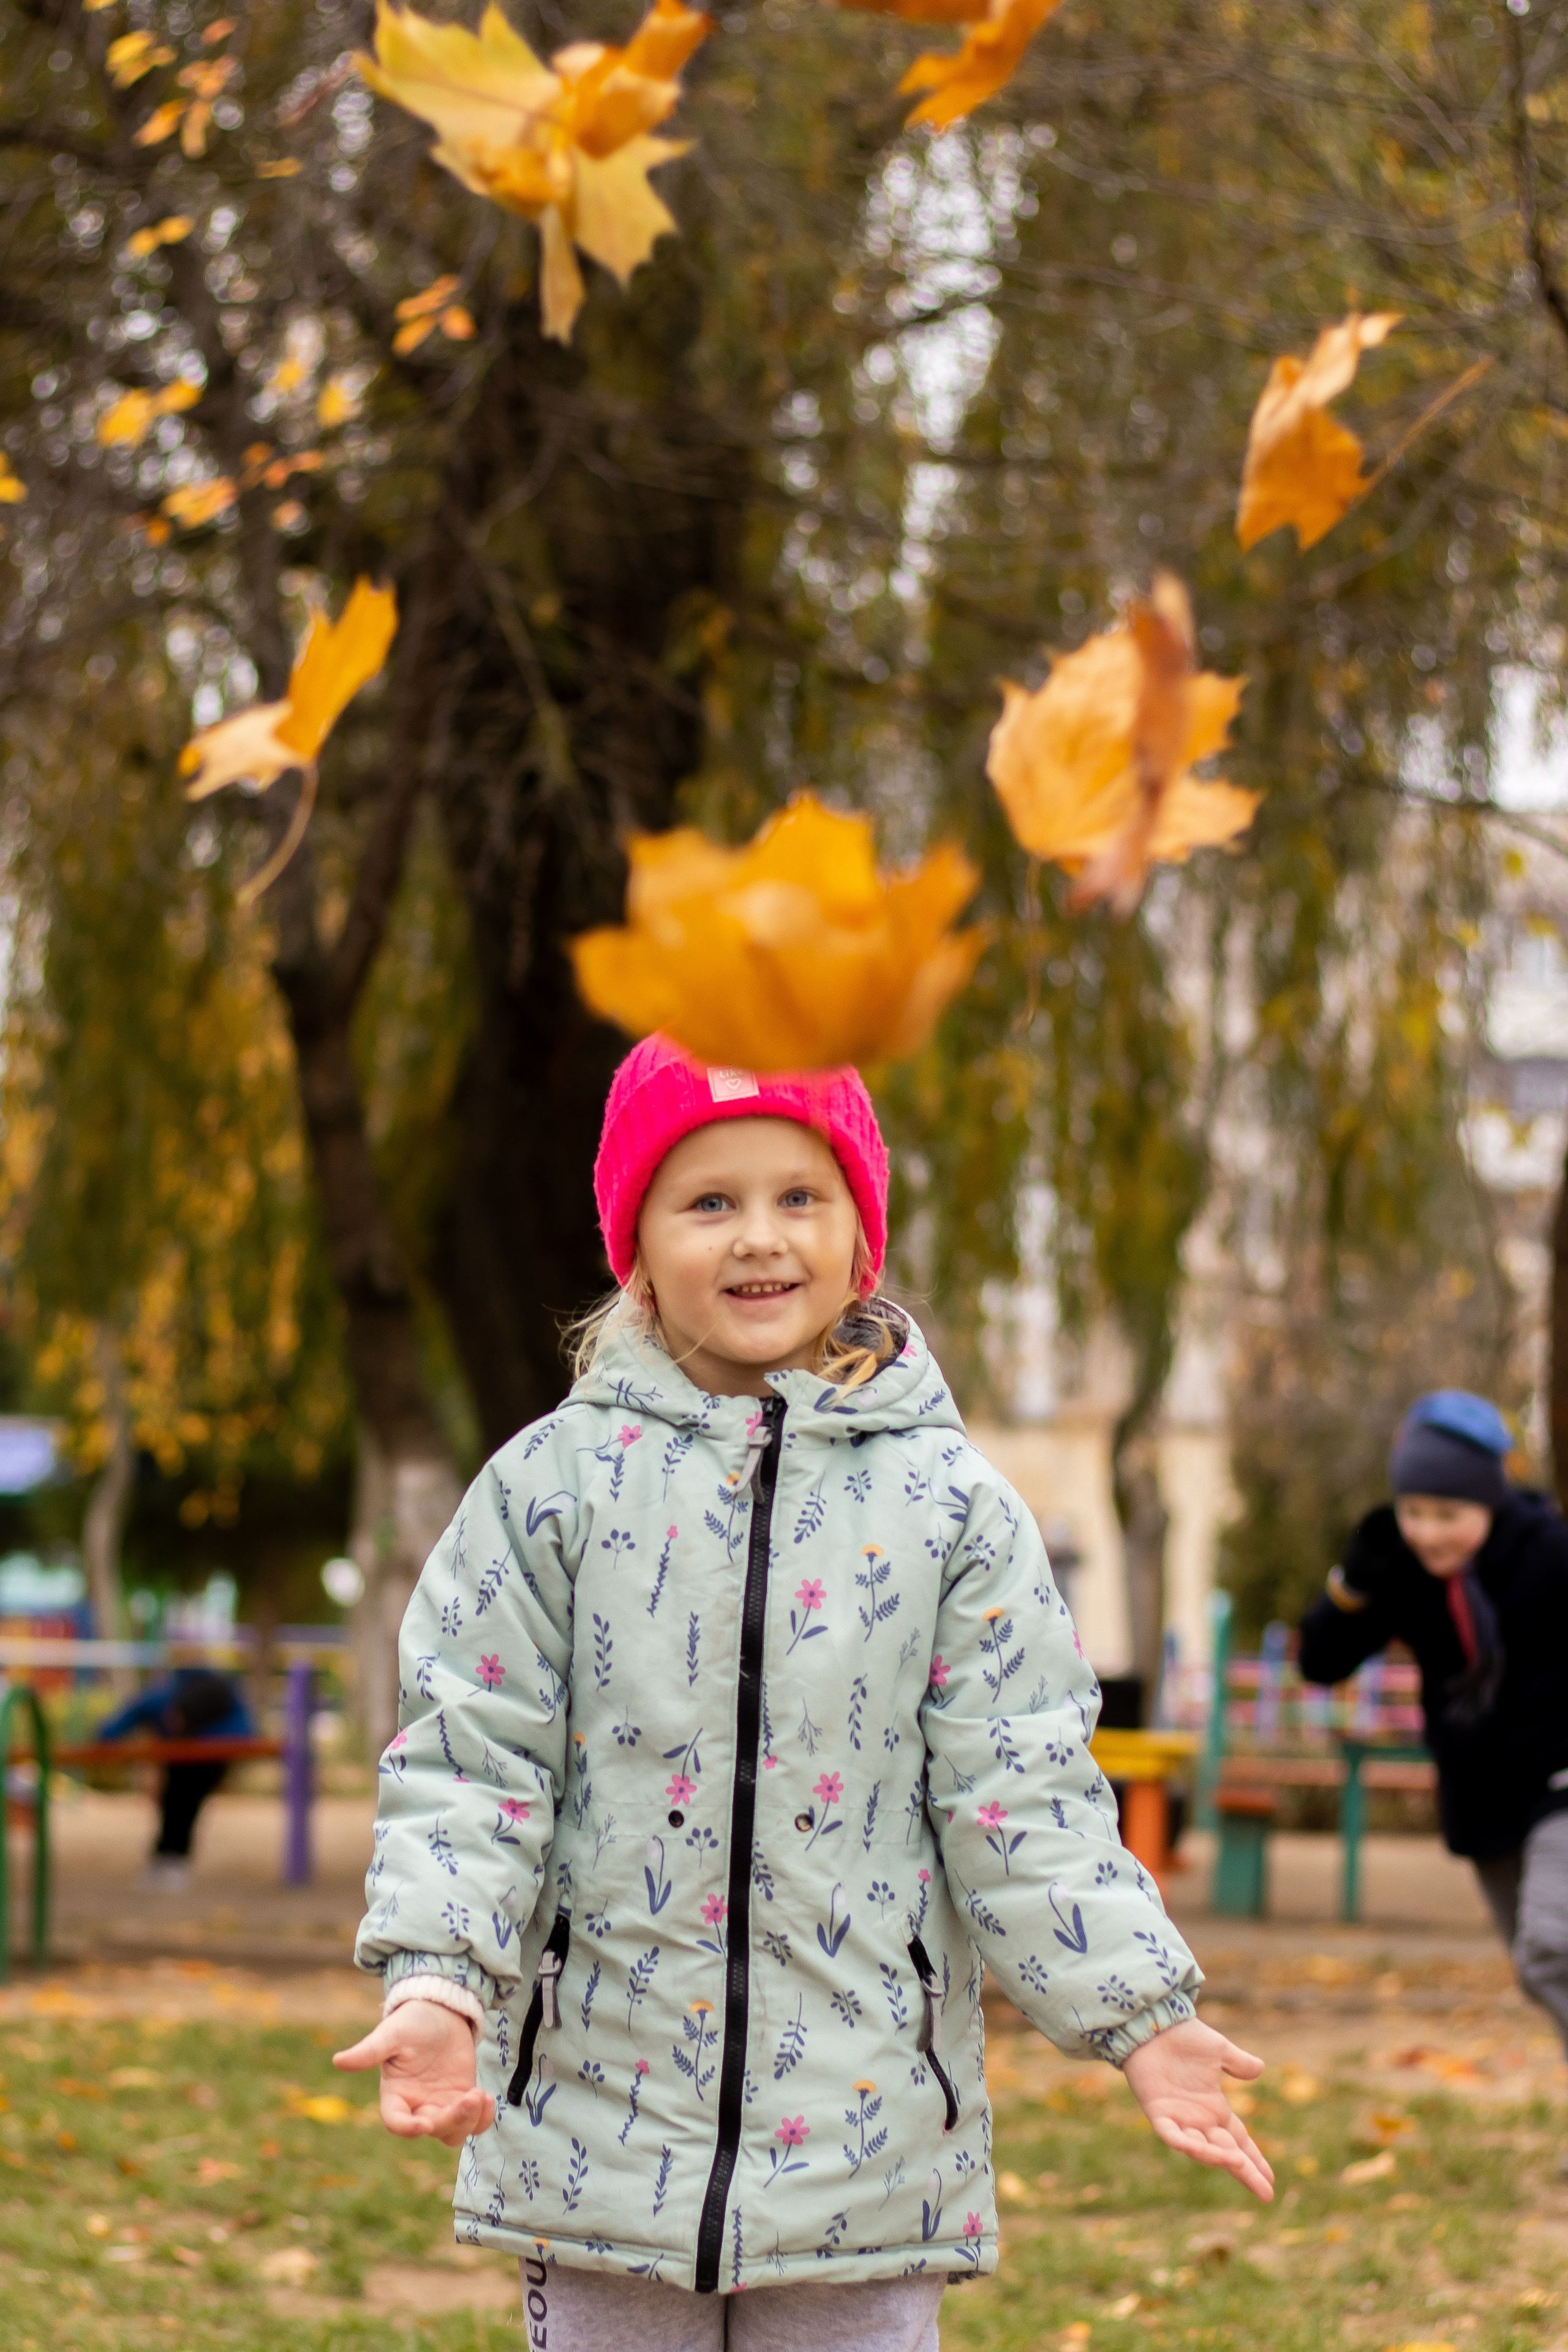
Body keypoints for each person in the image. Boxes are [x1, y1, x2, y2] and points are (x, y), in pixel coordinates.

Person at [336, 1036, 1273, 2351]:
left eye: (798, 1196)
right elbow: (470, 1761)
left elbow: (1024, 1796)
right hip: (598, 2128)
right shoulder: (549, 1490)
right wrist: (437, 1982)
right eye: (707, 1201)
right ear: (637, 1240)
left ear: (857, 1233)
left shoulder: (953, 1511)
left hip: (864, 2140)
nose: (756, 1238)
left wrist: (1141, 2019)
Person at [1298, 1389, 1568, 2087]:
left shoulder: (1546, 1553)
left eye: (1448, 1515)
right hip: (1485, 1797)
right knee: (1538, 1970)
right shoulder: (1402, 1568)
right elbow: (1320, 1662)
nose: (1428, 1533)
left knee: (1552, 1950)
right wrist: (1352, 1585)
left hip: (1559, 1784)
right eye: (1414, 1512)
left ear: (1489, 1502)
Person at [97, 1662, 253, 1887]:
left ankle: (173, 1858)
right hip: (182, 1758)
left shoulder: (222, 1704)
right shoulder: (163, 1700)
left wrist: (201, 1743)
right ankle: (166, 1856)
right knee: (175, 1801)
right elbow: (131, 1714)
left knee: (185, 1801)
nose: (174, 1723)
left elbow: (243, 1735)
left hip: (205, 1760)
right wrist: (106, 1737)